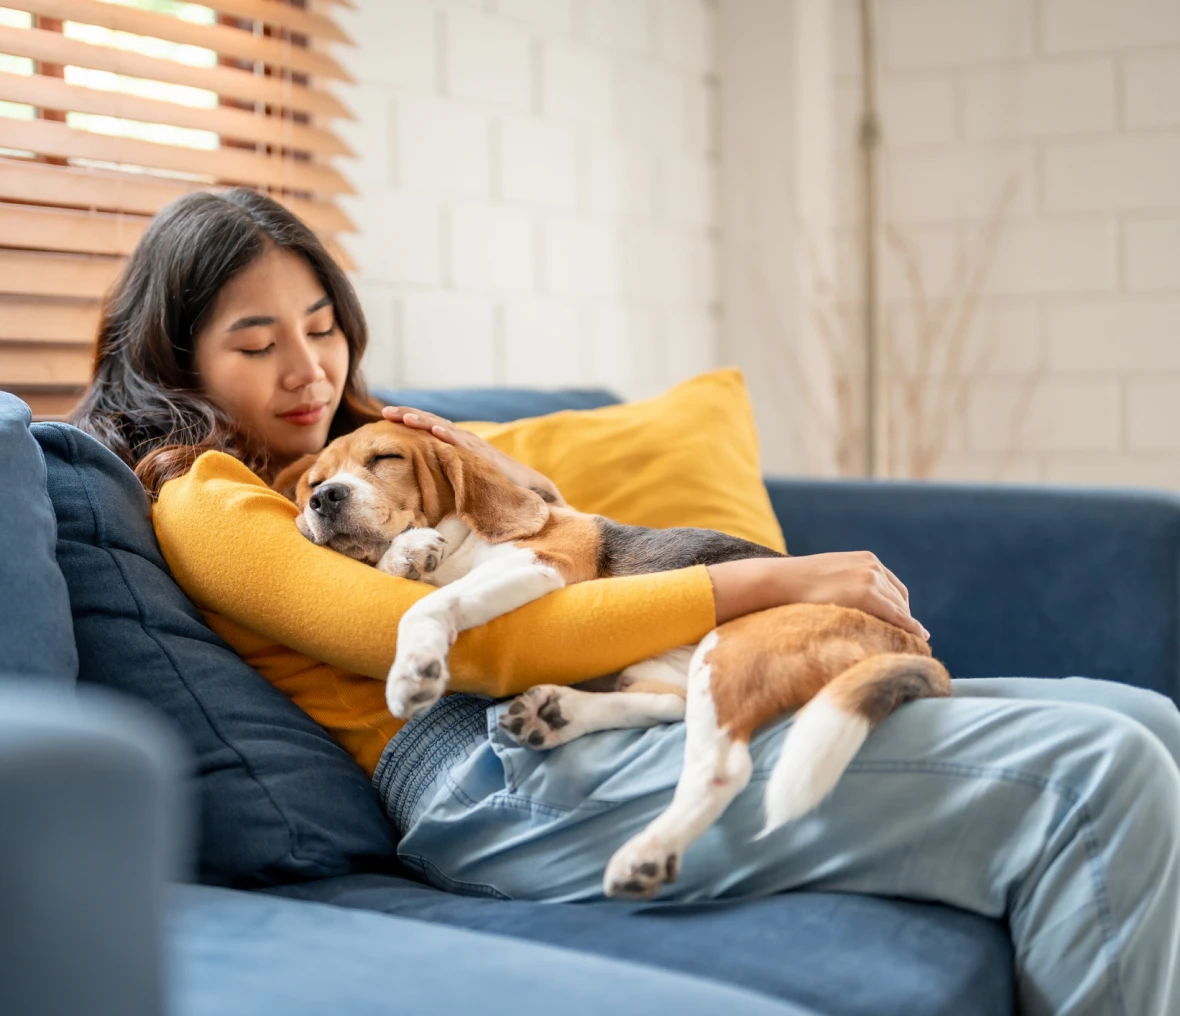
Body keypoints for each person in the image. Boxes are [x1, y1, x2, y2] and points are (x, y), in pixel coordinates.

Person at [73, 188, 1180, 1016]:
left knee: (1142, 715)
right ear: (177, 363)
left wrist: (473, 465)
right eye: (256, 342)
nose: (308, 366)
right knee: (1100, 773)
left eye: (321, 324)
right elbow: (471, 649)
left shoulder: (380, 445)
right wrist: (775, 576)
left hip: (603, 700)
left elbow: (562, 543)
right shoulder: (205, 495)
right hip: (488, 771)